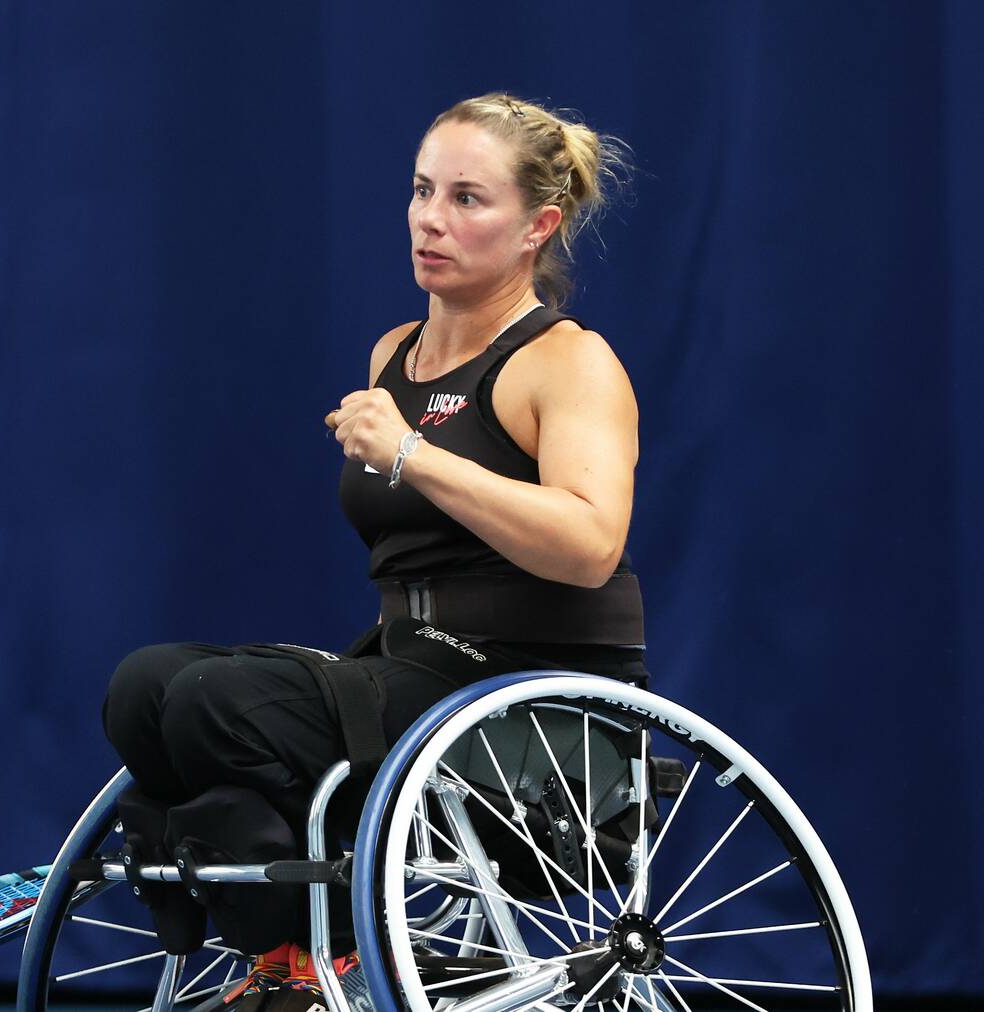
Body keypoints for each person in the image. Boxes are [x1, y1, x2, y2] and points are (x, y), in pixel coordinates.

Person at [101, 92, 644, 1009]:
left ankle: (331, 954)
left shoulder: (567, 360)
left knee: (212, 702)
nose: (432, 218)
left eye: (469, 199)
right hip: (405, 669)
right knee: (146, 687)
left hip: (526, 699)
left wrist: (410, 454)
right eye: (422, 189)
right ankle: (281, 947)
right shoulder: (396, 352)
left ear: (536, 227)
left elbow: (590, 546)